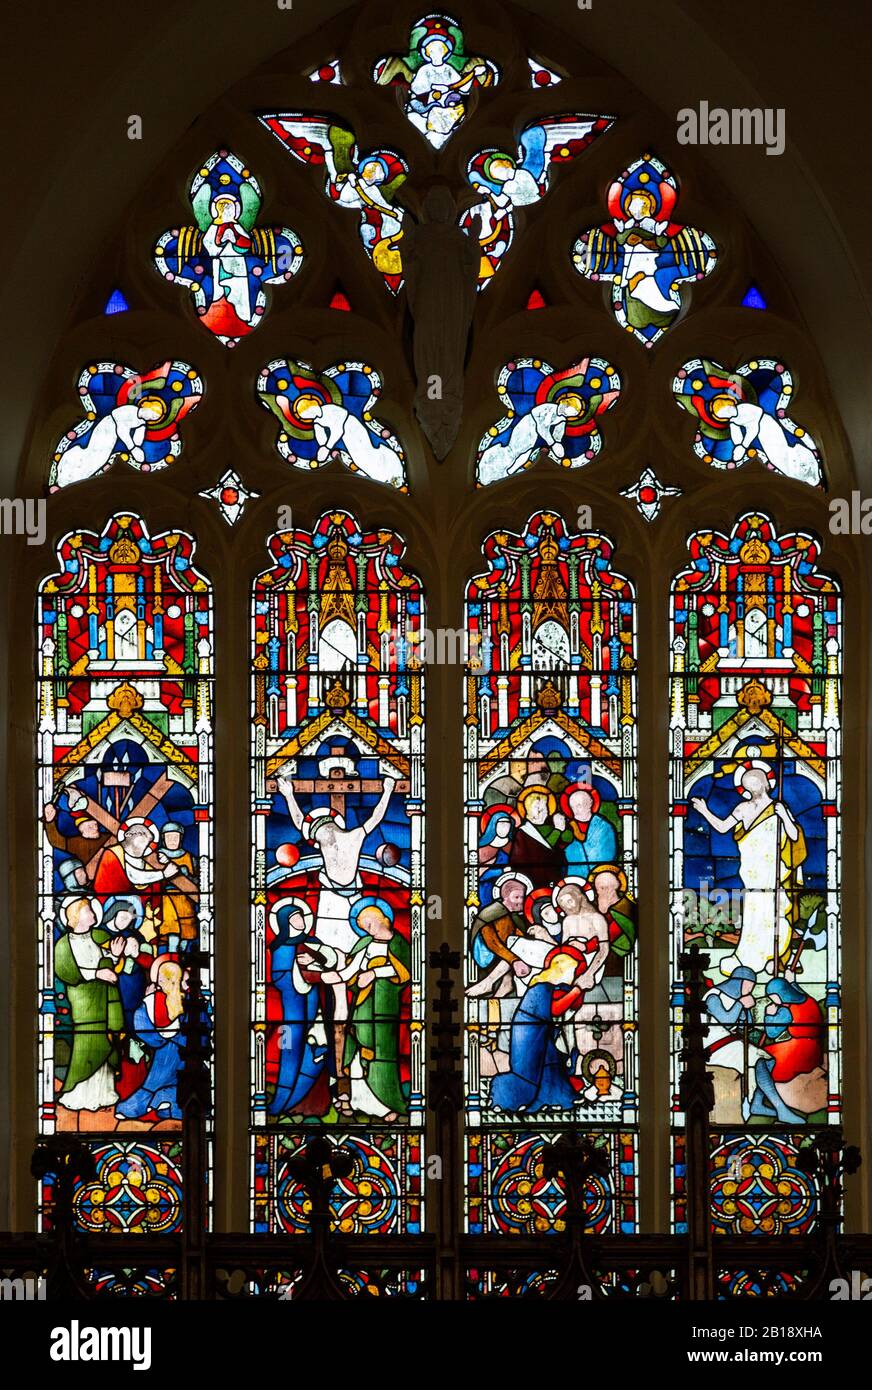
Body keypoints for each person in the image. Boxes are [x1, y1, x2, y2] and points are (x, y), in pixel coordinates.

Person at [691, 759, 806, 976]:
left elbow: (794, 837)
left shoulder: (779, 807)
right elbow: (723, 827)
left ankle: (777, 956)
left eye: (756, 781)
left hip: (775, 875)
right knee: (755, 915)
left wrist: (783, 816)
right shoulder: (742, 808)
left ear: (766, 783)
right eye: (747, 783)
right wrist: (705, 811)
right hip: (753, 875)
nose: (752, 786)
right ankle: (750, 958)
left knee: (776, 913)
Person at [324, 899, 410, 1120]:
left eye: (368, 923)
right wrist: (330, 976)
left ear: (382, 918)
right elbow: (350, 971)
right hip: (362, 1006)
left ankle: (383, 1103)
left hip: (385, 1008)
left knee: (380, 1054)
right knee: (356, 1054)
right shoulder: (364, 944)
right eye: (362, 926)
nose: (366, 928)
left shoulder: (398, 943)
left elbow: (405, 972)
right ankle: (358, 1100)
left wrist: (374, 974)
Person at [53, 896, 124, 1112]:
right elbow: (67, 971)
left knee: (106, 1040)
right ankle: (78, 1095)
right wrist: (98, 974)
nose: (93, 912)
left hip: (105, 999)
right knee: (87, 1044)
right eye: (87, 910)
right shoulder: (64, 944)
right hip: (84, 1001)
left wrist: (113, 955)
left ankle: (105, 1093)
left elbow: (105, 960)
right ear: (74, 916)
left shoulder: (98, 936)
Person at [489, 951, 582, 1113]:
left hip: (540, 1035)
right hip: (529, 1036)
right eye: (572, 972)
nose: (574, 976)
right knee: (531, 1072)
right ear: (561, 971)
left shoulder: (549, 988)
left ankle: (556, 1098)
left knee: (552, 1063)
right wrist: (577, 990)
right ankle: (510, 1098)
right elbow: (555, 1010)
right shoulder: (541, 988)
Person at [267, 900, 332, 1118]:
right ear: (285, 922)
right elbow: (279, 977)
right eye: (295, 918)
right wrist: (297, 967)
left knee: (314, 1042)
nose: (300, 921)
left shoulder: (313, 943)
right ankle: (284, 1099)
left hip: (315, 1003)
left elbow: (328, 966)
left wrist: (313, 961)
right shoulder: (280, 947)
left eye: (301, 916)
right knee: (290, 1047)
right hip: (293, 1006)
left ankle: (306, 1101)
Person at [116, 958, 187, 1121]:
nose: (159, 980)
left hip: (166, 1054)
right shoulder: (185, 1001)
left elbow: (144, 1027)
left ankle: (131, 1109)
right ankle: (171, 1107)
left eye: (162, 977)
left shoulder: (153, 1000)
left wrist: (145, 1001)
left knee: (153, 1083)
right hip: (183, 1053)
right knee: (178, 1082)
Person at [507, 784, 566, 887]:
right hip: (531, 881)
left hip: (554, 880)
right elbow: (519, 861)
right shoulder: (523, 832)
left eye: (544, 806)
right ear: (527, 809)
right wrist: (557, 831)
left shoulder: (551, 828)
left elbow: (562, 849)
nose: (542, 810)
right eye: (537, 807)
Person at [559, 783, 618, 877]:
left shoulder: (604, 827)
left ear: (590, 803)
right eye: (572, 806)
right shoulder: (566, 827)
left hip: (599, 876)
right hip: (573, 877)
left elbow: (608, 853)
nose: (575, 810)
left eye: (579, 805)